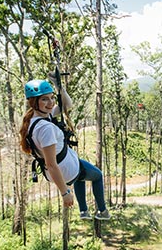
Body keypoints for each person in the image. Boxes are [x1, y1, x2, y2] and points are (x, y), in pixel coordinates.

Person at [19, 76, 110, 221]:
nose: (50, 103)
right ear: (33, 102)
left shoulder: (37, 119)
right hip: (64, 170)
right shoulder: (46, 128)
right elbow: (51, 163)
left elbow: (67, 105)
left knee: (81, 175)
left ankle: (83, 211)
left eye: (51, 98)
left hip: (63, 168)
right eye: (44, 99)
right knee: (97, 175)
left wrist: (59, 87)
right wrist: (64, 192)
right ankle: (103, 211)